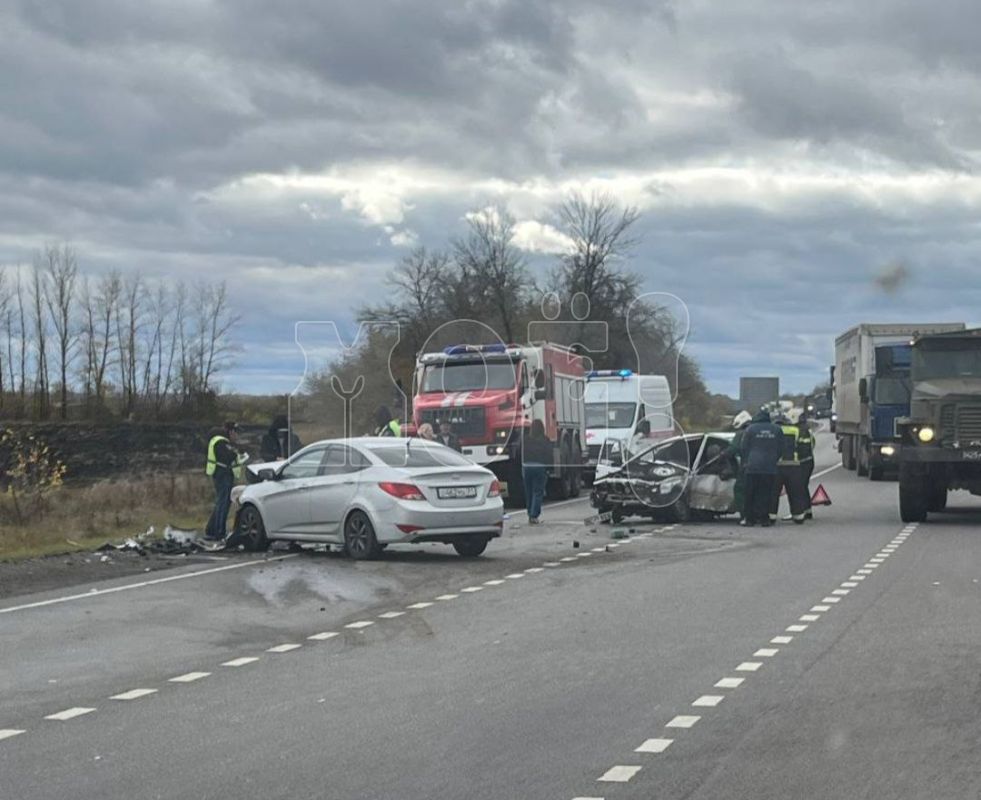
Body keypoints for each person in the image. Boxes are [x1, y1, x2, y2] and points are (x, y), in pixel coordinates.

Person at [739, 409, 783, 527]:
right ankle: (764, 519)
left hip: (752, 467)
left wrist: (746, 461)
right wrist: (773, 459)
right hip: (769, 467)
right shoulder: (777, 430)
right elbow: (781, 448)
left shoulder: (750, 429)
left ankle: (749, 519)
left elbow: (744, 447)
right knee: (766, 494)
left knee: (750, 494)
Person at [205, 421, 247, 541]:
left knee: (221, 502)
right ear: (231, 431)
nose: (237, 436)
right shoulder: (221, 442)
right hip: (223, 474)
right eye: (236, 433)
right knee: (223, 503)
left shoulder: (221, 441)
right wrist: (237, 453)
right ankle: (219, 532)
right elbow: (227, 457)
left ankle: (211, 529)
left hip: (222, 473)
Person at [770, 414, 808, 525]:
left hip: (777, 466)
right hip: (794, 466)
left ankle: (771, 516)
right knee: (795, 492)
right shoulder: (795, 430)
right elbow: (804, 447)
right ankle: (798, 516)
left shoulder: (773, 431)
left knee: (773, 493)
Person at [521, 420, 552, 524]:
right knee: (538, 492)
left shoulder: (525, 440)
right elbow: (549, 455)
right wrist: (549, 469)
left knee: (528, 492)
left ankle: (530, 513)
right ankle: (534, 516)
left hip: (527, 466)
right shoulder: (545, 440)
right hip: (539, 467)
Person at [728, 411, 753, 520]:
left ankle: (745, 515)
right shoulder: (757, 431)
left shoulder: (741, 434)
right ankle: (760, 515)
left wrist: (723, 454)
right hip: (765, 467)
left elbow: (733, 450)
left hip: (747, 466)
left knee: (739, 489)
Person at [796, 413, 816, 519]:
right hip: (809, 461)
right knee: (803, 486)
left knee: (800, 486)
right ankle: (807, 510)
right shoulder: (808, 430)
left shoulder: (798, 431)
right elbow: (813, 444)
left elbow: (799, 447)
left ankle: (802, 511)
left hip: (802, 462)